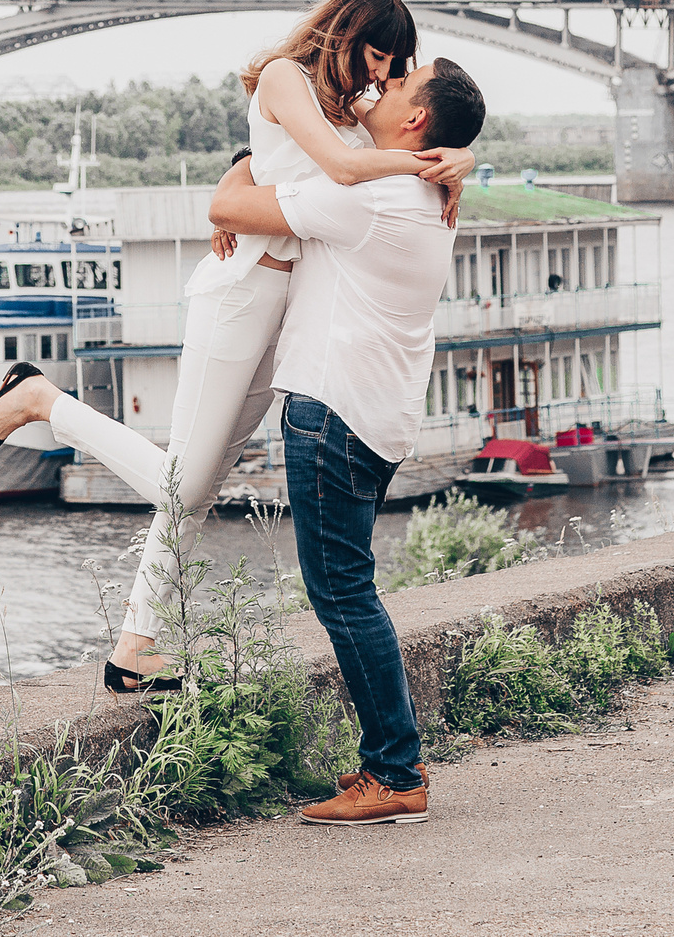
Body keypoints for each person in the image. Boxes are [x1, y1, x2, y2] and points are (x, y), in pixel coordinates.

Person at [0, 0, 475, 691]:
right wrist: (434, 163)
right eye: (380, 55)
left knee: (197, 487)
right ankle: (44, 400)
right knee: (184, 483)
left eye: (397, 67)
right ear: (346, 30)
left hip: (288, 310)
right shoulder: (286, 76)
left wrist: (460, 158)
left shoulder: (354, 104)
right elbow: (336, 169)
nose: (385, 75)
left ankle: (133, 647)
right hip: (242, 294)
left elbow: (266, 161)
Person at [206, 55, 485, 825]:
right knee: (353, 590)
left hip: (331, 411)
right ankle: (393, 764)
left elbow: (230, 206)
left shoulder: (370, 194)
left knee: (343, 595)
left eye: (397, 84)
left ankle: (395, 771)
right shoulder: (428, 190)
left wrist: (248, 156)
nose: (380, 86)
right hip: (378, 414)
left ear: (416, 119)